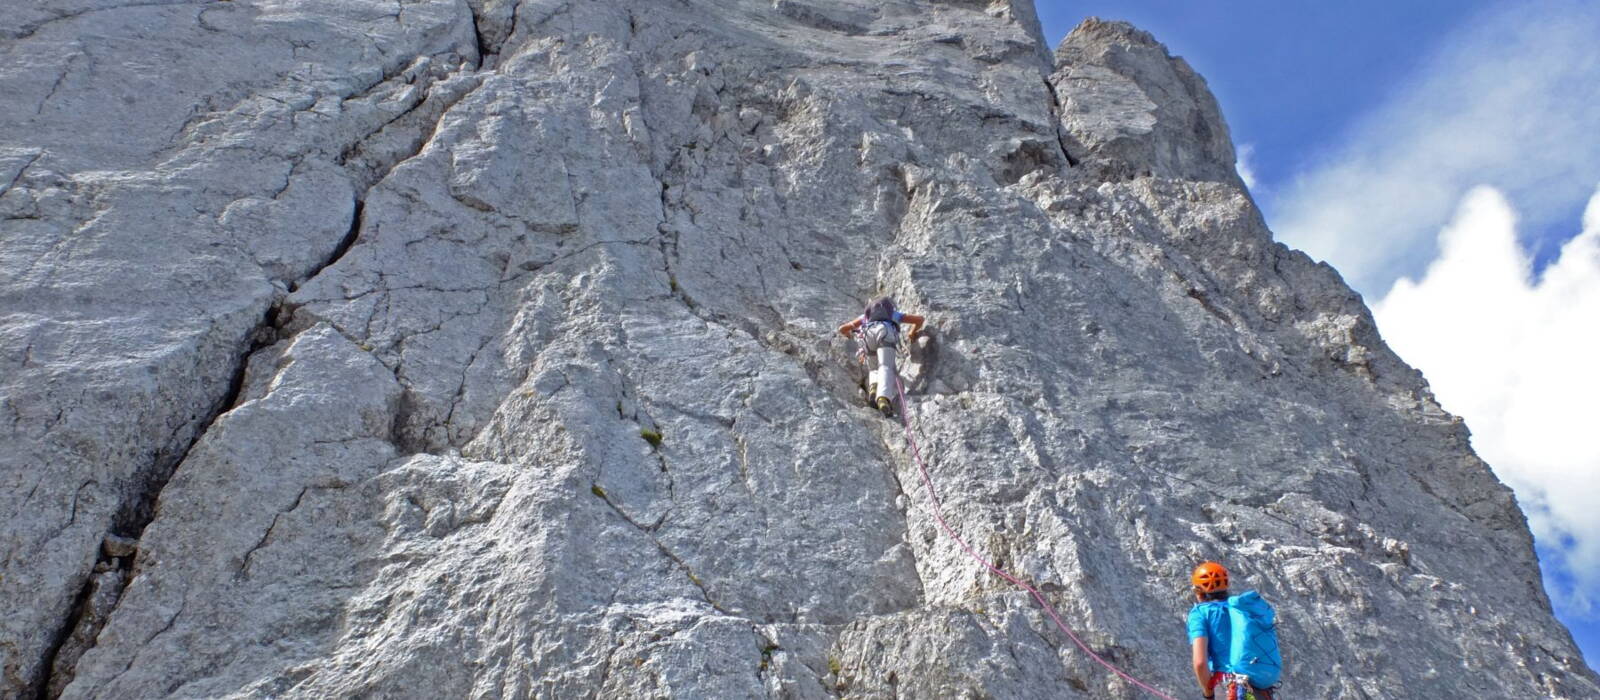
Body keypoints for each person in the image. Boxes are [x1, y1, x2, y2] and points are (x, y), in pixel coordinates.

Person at [1188, 561, 1280, 700]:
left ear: (1198, 592)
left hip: (1229, 687)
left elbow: (1200, 662)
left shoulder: (1200, 614)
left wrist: (1208, 694)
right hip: (1260, 689)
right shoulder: (1241, 609)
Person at [836, 297, 924, 414]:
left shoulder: (865, 317)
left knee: (874, 368)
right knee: (885, 366)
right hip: (884, 332)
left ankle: (873, 389)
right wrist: (911, 333)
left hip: (867, 335)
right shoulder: (893, 314)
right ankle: (883, 398)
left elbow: (842, 329)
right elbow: (919, 320)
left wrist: (850, 336)